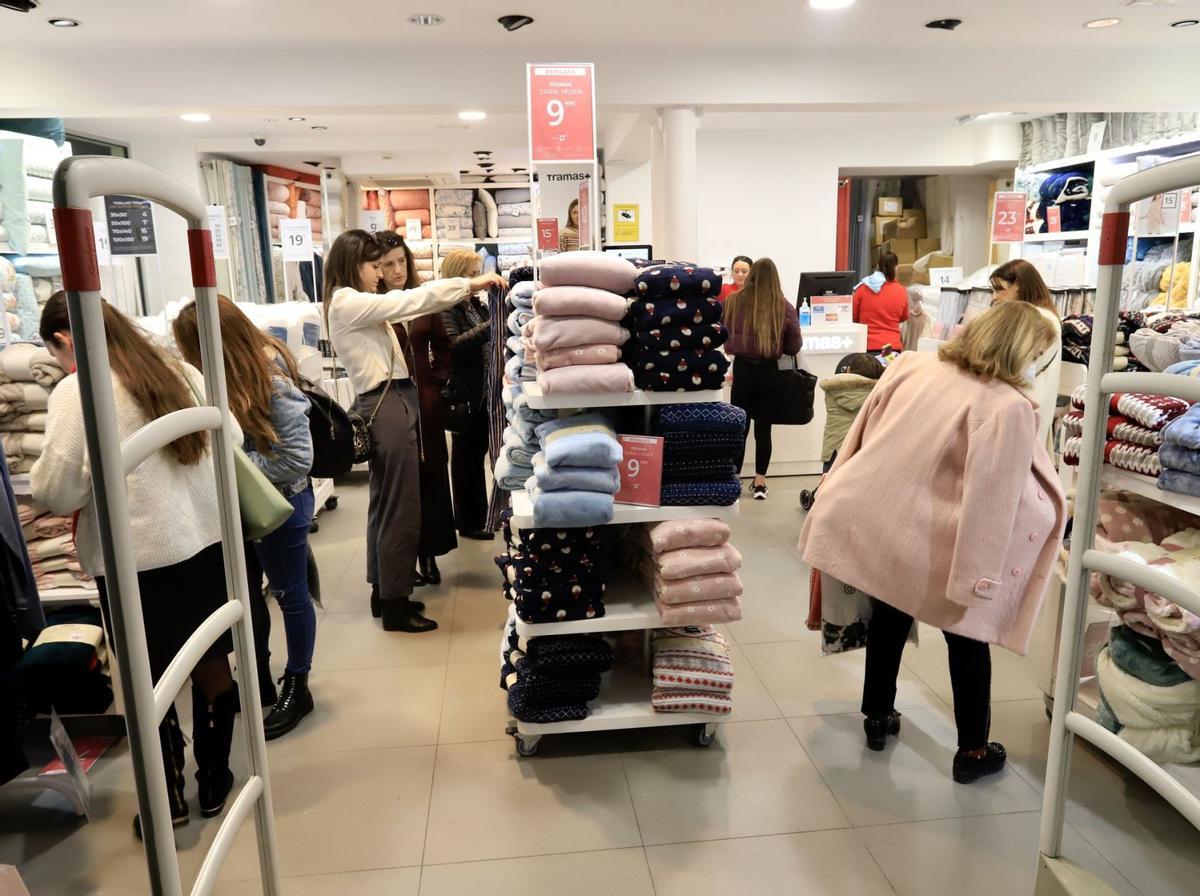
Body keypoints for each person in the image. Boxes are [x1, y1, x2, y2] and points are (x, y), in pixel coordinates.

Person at [799, 302, 1066, 784]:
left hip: (881, 521)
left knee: (889, 617)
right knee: (966, 639)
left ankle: (877, 717)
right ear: (1027, 350)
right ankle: (974, 751)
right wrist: (978, 582)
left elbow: (862, 434)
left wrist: (829, 492)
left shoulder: (912, 364)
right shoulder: (1006, 407)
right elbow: (990, 501)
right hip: (939, 541)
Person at [33, 293, 242, 834]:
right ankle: (215, 779)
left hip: (137, 562)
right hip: (206, 543)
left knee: (150, 678)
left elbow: (55, 490)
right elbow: (233, 441)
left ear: (63, 341)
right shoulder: (178, 370)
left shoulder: (77, 390)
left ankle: (166, 796)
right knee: (211, 661)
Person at [324, 230, 505, 632]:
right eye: (374, 266)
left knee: (385, 505)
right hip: (387, 403)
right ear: (353, 264)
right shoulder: (348, 301)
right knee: (401, 508)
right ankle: (396, 602)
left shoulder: (355, 304)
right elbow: (412, 300)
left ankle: (384, 591)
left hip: (390, 401)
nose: (380, 273)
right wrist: (471, 283)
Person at [173, 297, 316, 740]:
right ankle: (260, 677)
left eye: (190, 350)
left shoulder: (269, 380)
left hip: (280, 507)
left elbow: (297, 458)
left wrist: (230, 462)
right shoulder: (223, 381)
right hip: (245, 510)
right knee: (249, 596)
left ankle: (299, 683)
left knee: (290, 594)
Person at [376, 231, 457, 586]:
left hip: (425, 400)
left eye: (401, 261)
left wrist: (437, 381)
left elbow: (443, 344)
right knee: (400, 481)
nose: (397, 270)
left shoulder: (422, 299)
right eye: (388, 264)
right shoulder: (373, 305)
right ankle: (403, 559)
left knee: (431, 474)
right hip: (392, 399)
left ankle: (429, 553)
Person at [724, 257, 802, 500]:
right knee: (764, 429)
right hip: (770, 372)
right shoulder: (783, 306)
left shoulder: (733, 301)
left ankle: (734, 479)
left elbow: (723, 336)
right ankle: (759, 483)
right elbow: (794, 344)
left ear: (751, 275)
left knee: (740, 427)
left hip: (743, 371)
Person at [439, 249, 494, 539]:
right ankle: (469, 522)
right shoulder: (447, 307)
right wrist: (490, 325)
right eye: (472, 274)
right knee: (465, 460)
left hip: (480, 393)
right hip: (465, 393)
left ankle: (480, 516)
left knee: (476, 456)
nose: (478, 280)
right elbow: (454, 345)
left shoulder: (474, 304)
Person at [990, 258, 1062, 447]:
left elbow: (1020, 367)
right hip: (1020, 402)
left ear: (1019, 286)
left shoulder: (1040, 319)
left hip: (1025, 403)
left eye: (1000, 289)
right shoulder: (1032, 316)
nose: (994, 297)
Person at [852, 249, 910, 352]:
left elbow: (853, 315)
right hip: (892, 348)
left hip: (867, 346)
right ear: (896, 268)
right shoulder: (901, 291)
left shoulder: (863, 288)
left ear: (878, 266)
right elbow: (904, 316)